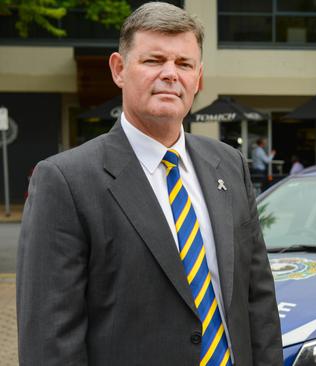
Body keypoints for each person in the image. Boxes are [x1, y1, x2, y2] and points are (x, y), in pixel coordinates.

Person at [16, 3, 283, 365]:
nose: (171, 75)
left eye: (184, 64)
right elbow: (50, 337)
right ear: (119, 69)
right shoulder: (65, 181)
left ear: (198, 78)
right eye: (154, 60)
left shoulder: (229, 164)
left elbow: (258, 300)